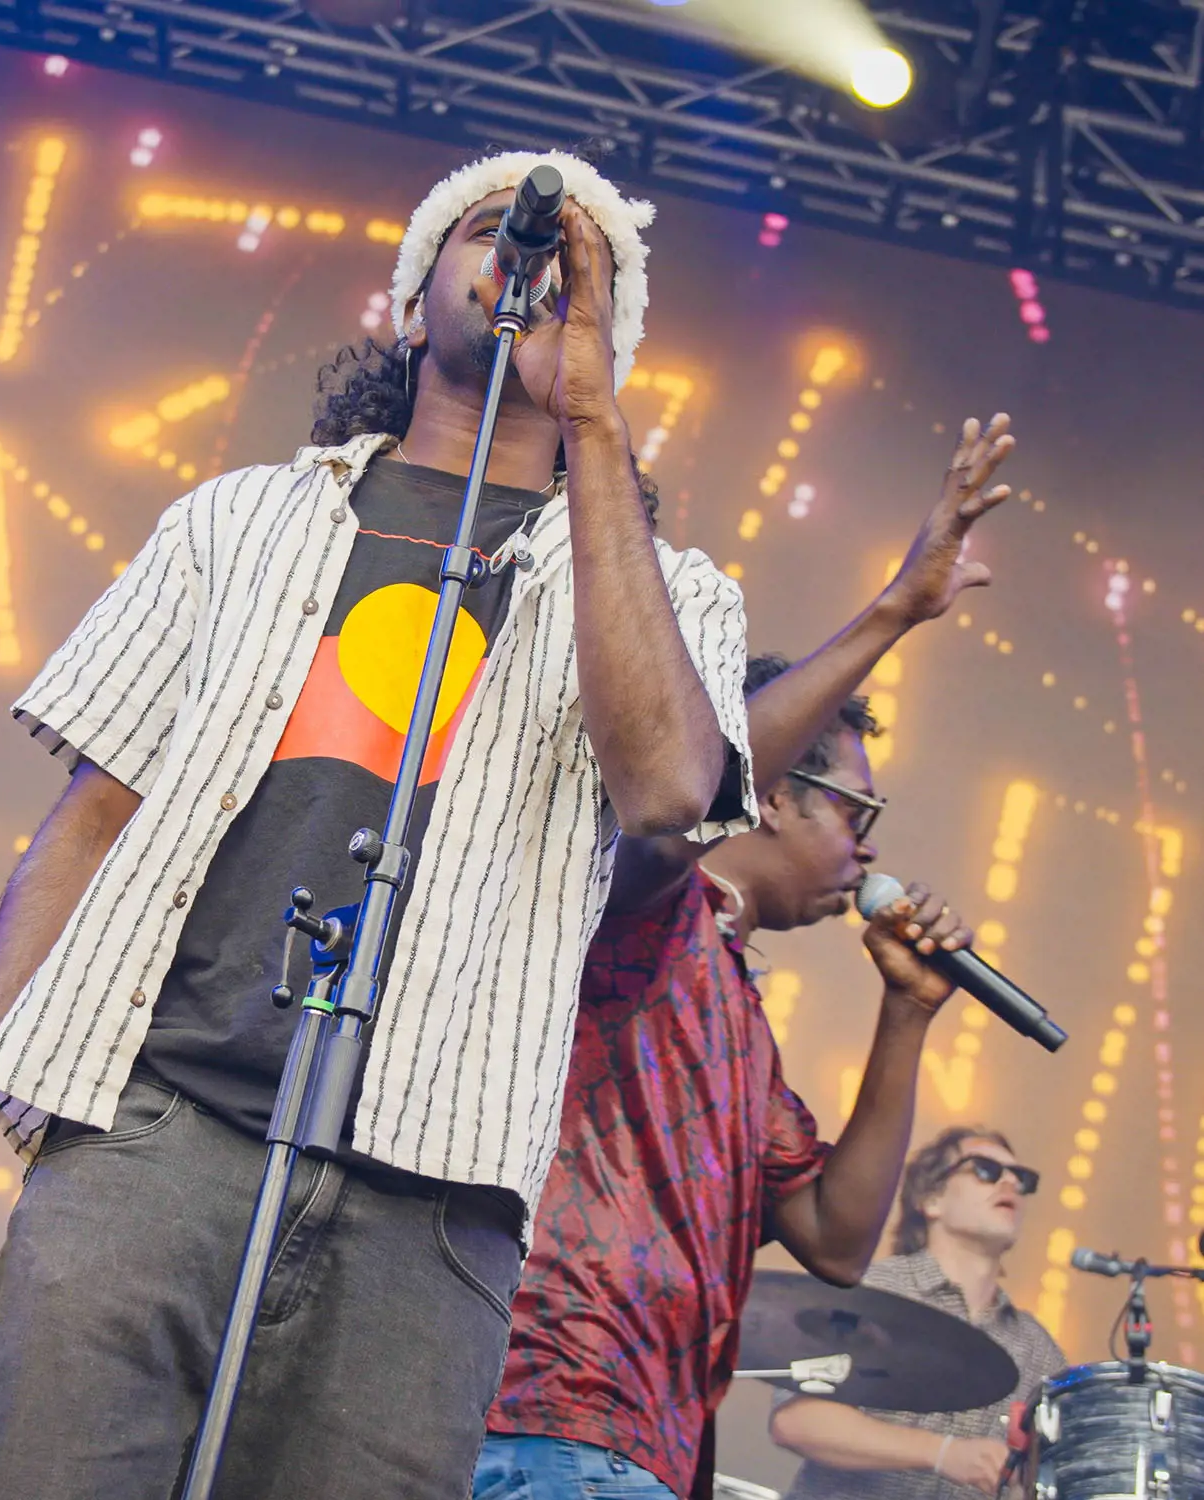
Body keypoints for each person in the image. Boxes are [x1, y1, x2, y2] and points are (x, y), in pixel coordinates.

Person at [0, 149, 758, 1500]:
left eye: (573, 257)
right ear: (411, 304)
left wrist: (589, 419)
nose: (523, 258)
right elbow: (89, 823)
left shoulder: (674, 597)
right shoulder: (240, 524)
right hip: (153, 1135)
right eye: (489, 233)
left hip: (431, 1208)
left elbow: (668, 792)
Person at [477, 416, 1017, 1500]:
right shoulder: (636, 906)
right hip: (542, 1414)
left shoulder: (732, 1001)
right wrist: (898, 609)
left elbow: (834, 1240)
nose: (869, 842)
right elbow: (682, 810)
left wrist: (907, 1015)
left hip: (649, 1448)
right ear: (769, 793)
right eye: (855, 807)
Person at [772, 1127, 1066, 1499]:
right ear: (931, 1200)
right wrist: (942, 1453)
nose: (1011, 1182)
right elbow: (797, 1421)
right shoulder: (870, 1291)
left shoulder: (1040, 1352)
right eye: (986, 1170)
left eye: (1023, 1178)